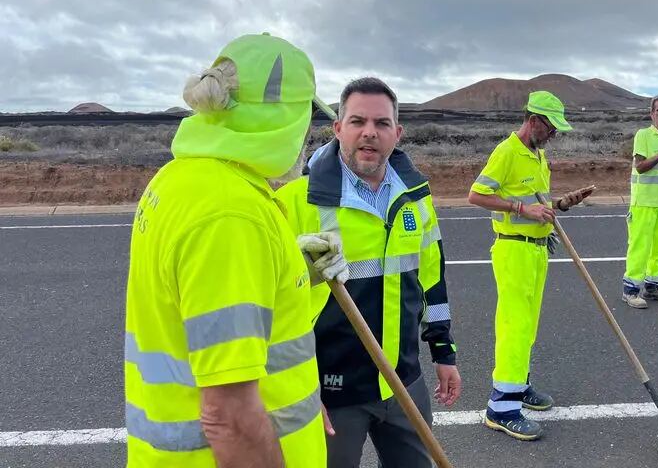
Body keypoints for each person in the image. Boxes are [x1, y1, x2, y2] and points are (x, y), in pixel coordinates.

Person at [124, 33, 346, 467]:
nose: (307, 136)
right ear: (284, 117)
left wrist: (288, 271)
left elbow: (202, 313)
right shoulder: (231, 215)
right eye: (305, 116)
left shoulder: (181, 179)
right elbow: (229, 417)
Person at [276, 77, 462, 467]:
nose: (369, 133)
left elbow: (432, 281)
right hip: (331, 393)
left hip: (404, 383)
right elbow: (272, 310)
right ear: (338, 127)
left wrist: (443, 352)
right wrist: (299, 390)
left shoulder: (416, 199)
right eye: (358, 121)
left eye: (381, 123)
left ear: (398, 132)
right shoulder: (294, 202)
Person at [468, 90, 595, 440]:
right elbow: (476, 195)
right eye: (551, 127)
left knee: (529, 324)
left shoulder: (538, 156)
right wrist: (522, 210)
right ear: (534, 120)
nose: (554, 134)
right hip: (514, 250)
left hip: (538, 248)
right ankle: (501, 408)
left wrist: (560, 204)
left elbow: (539, 204)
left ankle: (518, 383)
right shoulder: (507, 152)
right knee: (514, 325)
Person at [621, 94, 658, 309]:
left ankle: (653, 287)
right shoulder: (644, 135)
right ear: (652, 113)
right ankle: (630, 290)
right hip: (643, 202)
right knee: (640, 247)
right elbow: (641, 166)